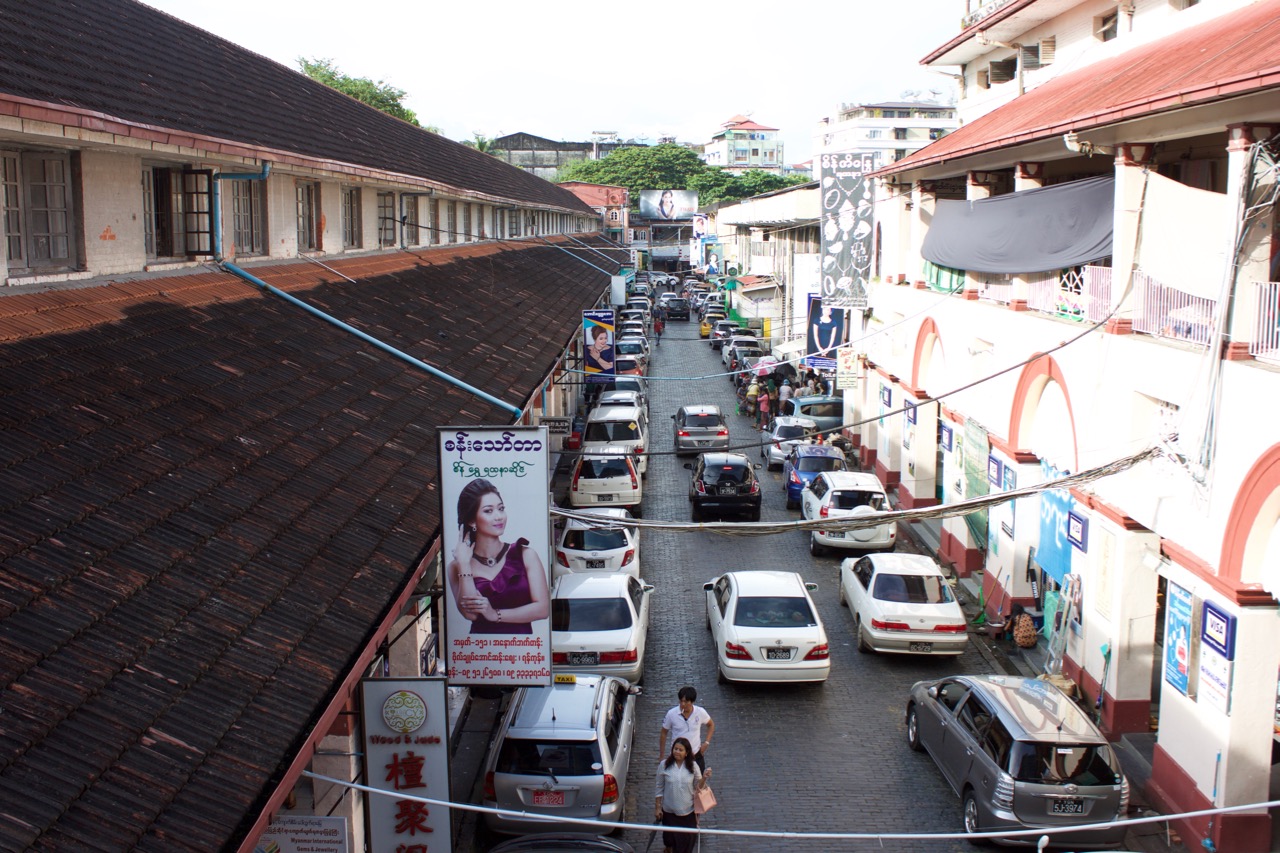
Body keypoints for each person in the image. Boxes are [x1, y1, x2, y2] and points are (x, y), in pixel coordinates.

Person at [448, 479, 549, 634]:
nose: (499, 516)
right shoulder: (456, 566)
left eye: (501, 509)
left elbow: (543, 609)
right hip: (480, 646)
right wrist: (464, 564)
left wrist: (496, 614)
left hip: (523, 647)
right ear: (472, 520)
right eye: (488, 511)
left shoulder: (526, 555)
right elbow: (470, 614)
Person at [654, 737, 708, 853]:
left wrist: (704, 778)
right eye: (675, 749)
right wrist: (658, 807)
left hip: (688, 813)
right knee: (670, 840)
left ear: (686, 753)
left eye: (680, 750)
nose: (677, 752)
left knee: (686, 843)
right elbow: (659, 787)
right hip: (669, 813)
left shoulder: (693, 766)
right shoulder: (664, 765)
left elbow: (699, 786)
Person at [659, 686, 715, 773]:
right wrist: (662, 755)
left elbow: (711, 725)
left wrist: (706, 743)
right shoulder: (671, 714)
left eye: (686, 701)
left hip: (695, 756)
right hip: (677, 757)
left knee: (699, 780)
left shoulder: (700, 712)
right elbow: (663, 732)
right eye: (681, 701)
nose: (683, 704)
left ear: (692, 702)